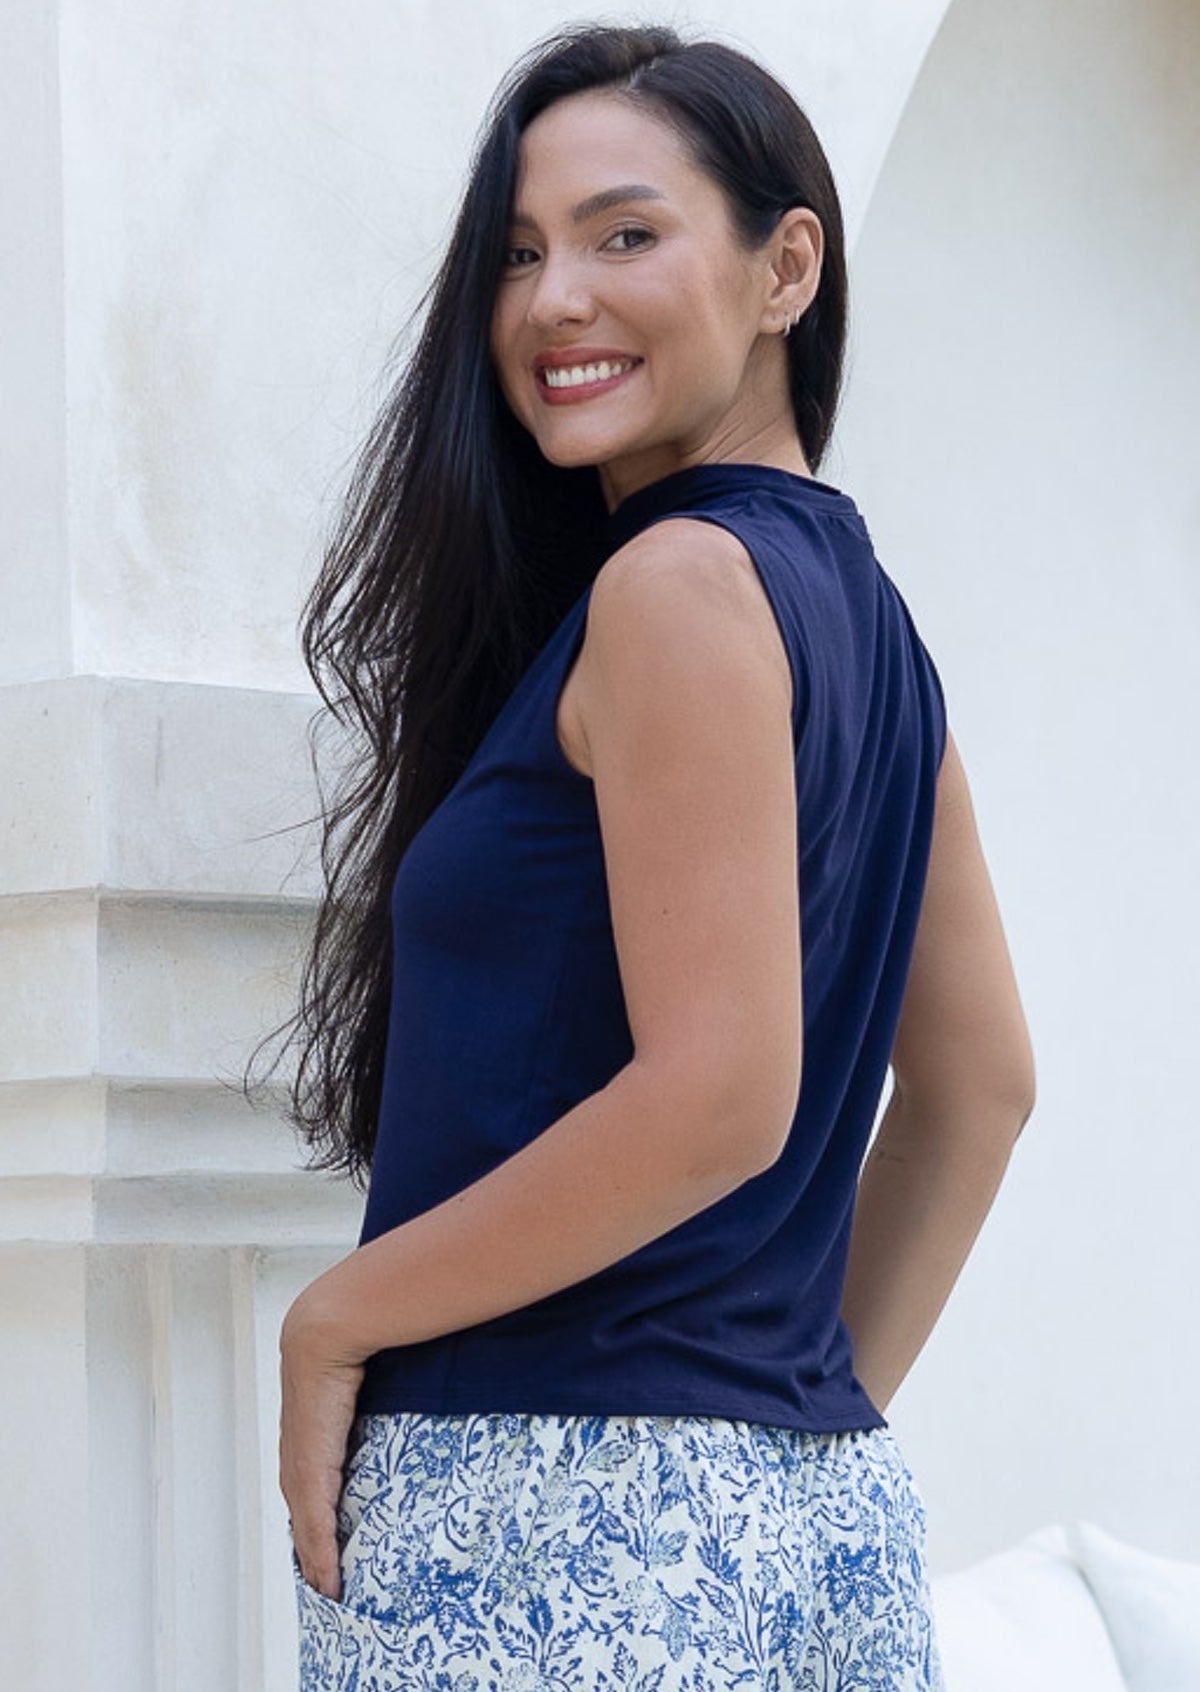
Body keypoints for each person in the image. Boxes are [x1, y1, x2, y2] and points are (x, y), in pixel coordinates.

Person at [273, 20, 1036, 1691]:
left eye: (625, 235)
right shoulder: (878, 636)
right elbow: (983, 1087)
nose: (555, 299)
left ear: (787, 271)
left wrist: (336, 1319)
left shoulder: (677, 587)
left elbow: (720, 1097)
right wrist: (785, 1413)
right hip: (812, 1526)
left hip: (543, 1515)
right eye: (520, 253)